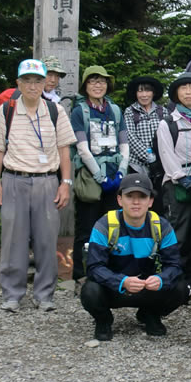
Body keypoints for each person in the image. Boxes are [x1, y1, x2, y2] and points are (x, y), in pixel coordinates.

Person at [0, 59, 77, 312]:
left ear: (45, 82)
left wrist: (65, 183)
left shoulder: (56, 111)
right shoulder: (7, 110)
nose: (33, 86)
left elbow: (64, 150)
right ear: (18, 83)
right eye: (27, 80)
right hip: (13, 179)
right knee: (13, 238)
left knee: (46, 239)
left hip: (47, 181)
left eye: (38, 80)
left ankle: (44, 294)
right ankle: (12, 294)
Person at [80, 174, 188, 341]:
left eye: (142, 197)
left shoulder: (162, 226)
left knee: (181, 288)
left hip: (147, 287)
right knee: (89, 291)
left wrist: (160, 279)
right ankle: (104, 320)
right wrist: (122, 282)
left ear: (150, 201)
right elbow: (94, 268)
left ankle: (150, 314)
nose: (136, 202)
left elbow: (174, 266)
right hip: (113, 288)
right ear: (119, 199)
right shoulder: (104, 224)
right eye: (130, 196)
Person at [157, 72, 191, 303]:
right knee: (177, 233)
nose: (189, 92)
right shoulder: (167, 123)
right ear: (177, 94)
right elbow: (166, 154)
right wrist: (182, 177)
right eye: (183, 88)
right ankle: (173, 282)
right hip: (177, 183)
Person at [70, 65, 130, 281]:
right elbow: (82, 148)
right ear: (85, 85)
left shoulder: (115, 110)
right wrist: (100, 176)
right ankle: (81, 276)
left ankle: (109, 273)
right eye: (93, 81)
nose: (98, 85)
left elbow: (124, 143)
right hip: (90, 177)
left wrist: (121, 172)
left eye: (102, 81)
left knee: (113, 227)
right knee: (86, 227)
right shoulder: (80, 112)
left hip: (114, 175)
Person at [123, 76, 164, 176]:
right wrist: (149, 157)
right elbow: (130, 136)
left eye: (147, 91)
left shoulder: (162, 111)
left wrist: (160, 158)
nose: (144, 95)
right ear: (136, 94)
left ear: (153, 93)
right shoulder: (130, 111)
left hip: (161, 163)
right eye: (140, 91)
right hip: (137, 164)